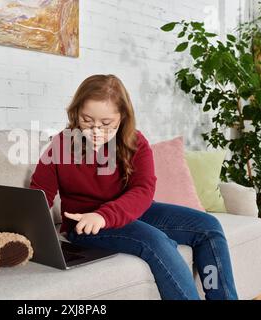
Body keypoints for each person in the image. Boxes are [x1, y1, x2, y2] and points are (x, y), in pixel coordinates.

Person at [29, 74, 238, 300]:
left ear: (122, 118)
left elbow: (143, 191)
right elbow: (39, 193)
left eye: (106, 123)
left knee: (208, 226)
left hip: (129, 212)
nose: (95, 131)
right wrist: (26, 226)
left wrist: (105, 215)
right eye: (87, 120)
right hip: (85, 225)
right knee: (155, 240)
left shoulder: (136, 142)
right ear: (76, 112)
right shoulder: (61, 145)